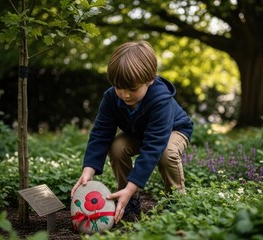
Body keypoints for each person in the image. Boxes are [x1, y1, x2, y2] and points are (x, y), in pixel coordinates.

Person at [71, 41, 193, 224]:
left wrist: (135, 181)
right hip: (139, 132)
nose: (125, 94)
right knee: (117, 146)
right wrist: (88, 169)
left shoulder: (161, 100)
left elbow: (154, 146)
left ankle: (175, 200)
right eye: (118, 87)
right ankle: (130, 199)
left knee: (166, 153)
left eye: (132, 89)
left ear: (150, 79)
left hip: (174, 130)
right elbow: (100, 132)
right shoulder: (111, 97)